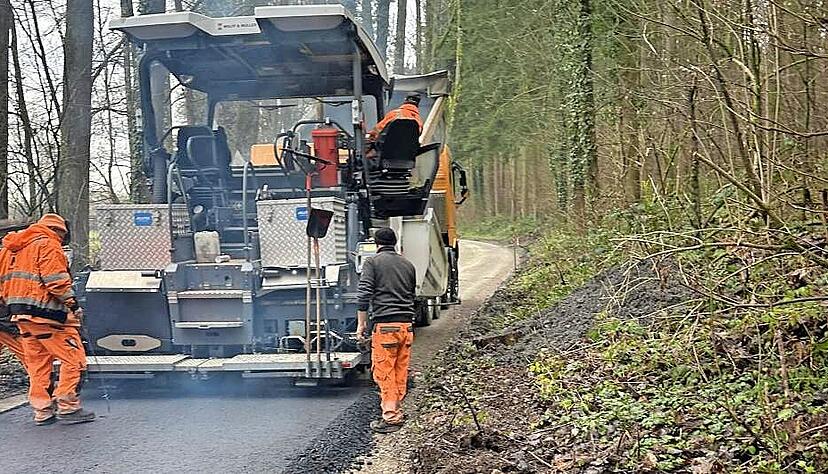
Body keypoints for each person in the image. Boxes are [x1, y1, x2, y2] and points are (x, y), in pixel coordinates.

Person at [0, 214, 95, 426]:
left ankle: (42, 410)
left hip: (21, 317)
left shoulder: (9, 249)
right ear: (59, 231)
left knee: (38, 365)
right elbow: (56, 282)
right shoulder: (49, 244)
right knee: (74, 360)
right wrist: (73, 305)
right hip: (49, 316)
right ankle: (68, 407)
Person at [356, 227, 417, 433]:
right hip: (406, 326)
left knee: (384, 371)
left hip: (386, 326)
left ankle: (390, 417)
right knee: (400, 370)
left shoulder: (372, 263)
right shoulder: (408, 264)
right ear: (395, 241)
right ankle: (397, 410)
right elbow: (411, 294)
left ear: (376, 243)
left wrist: (361, 324)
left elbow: (364, 294)